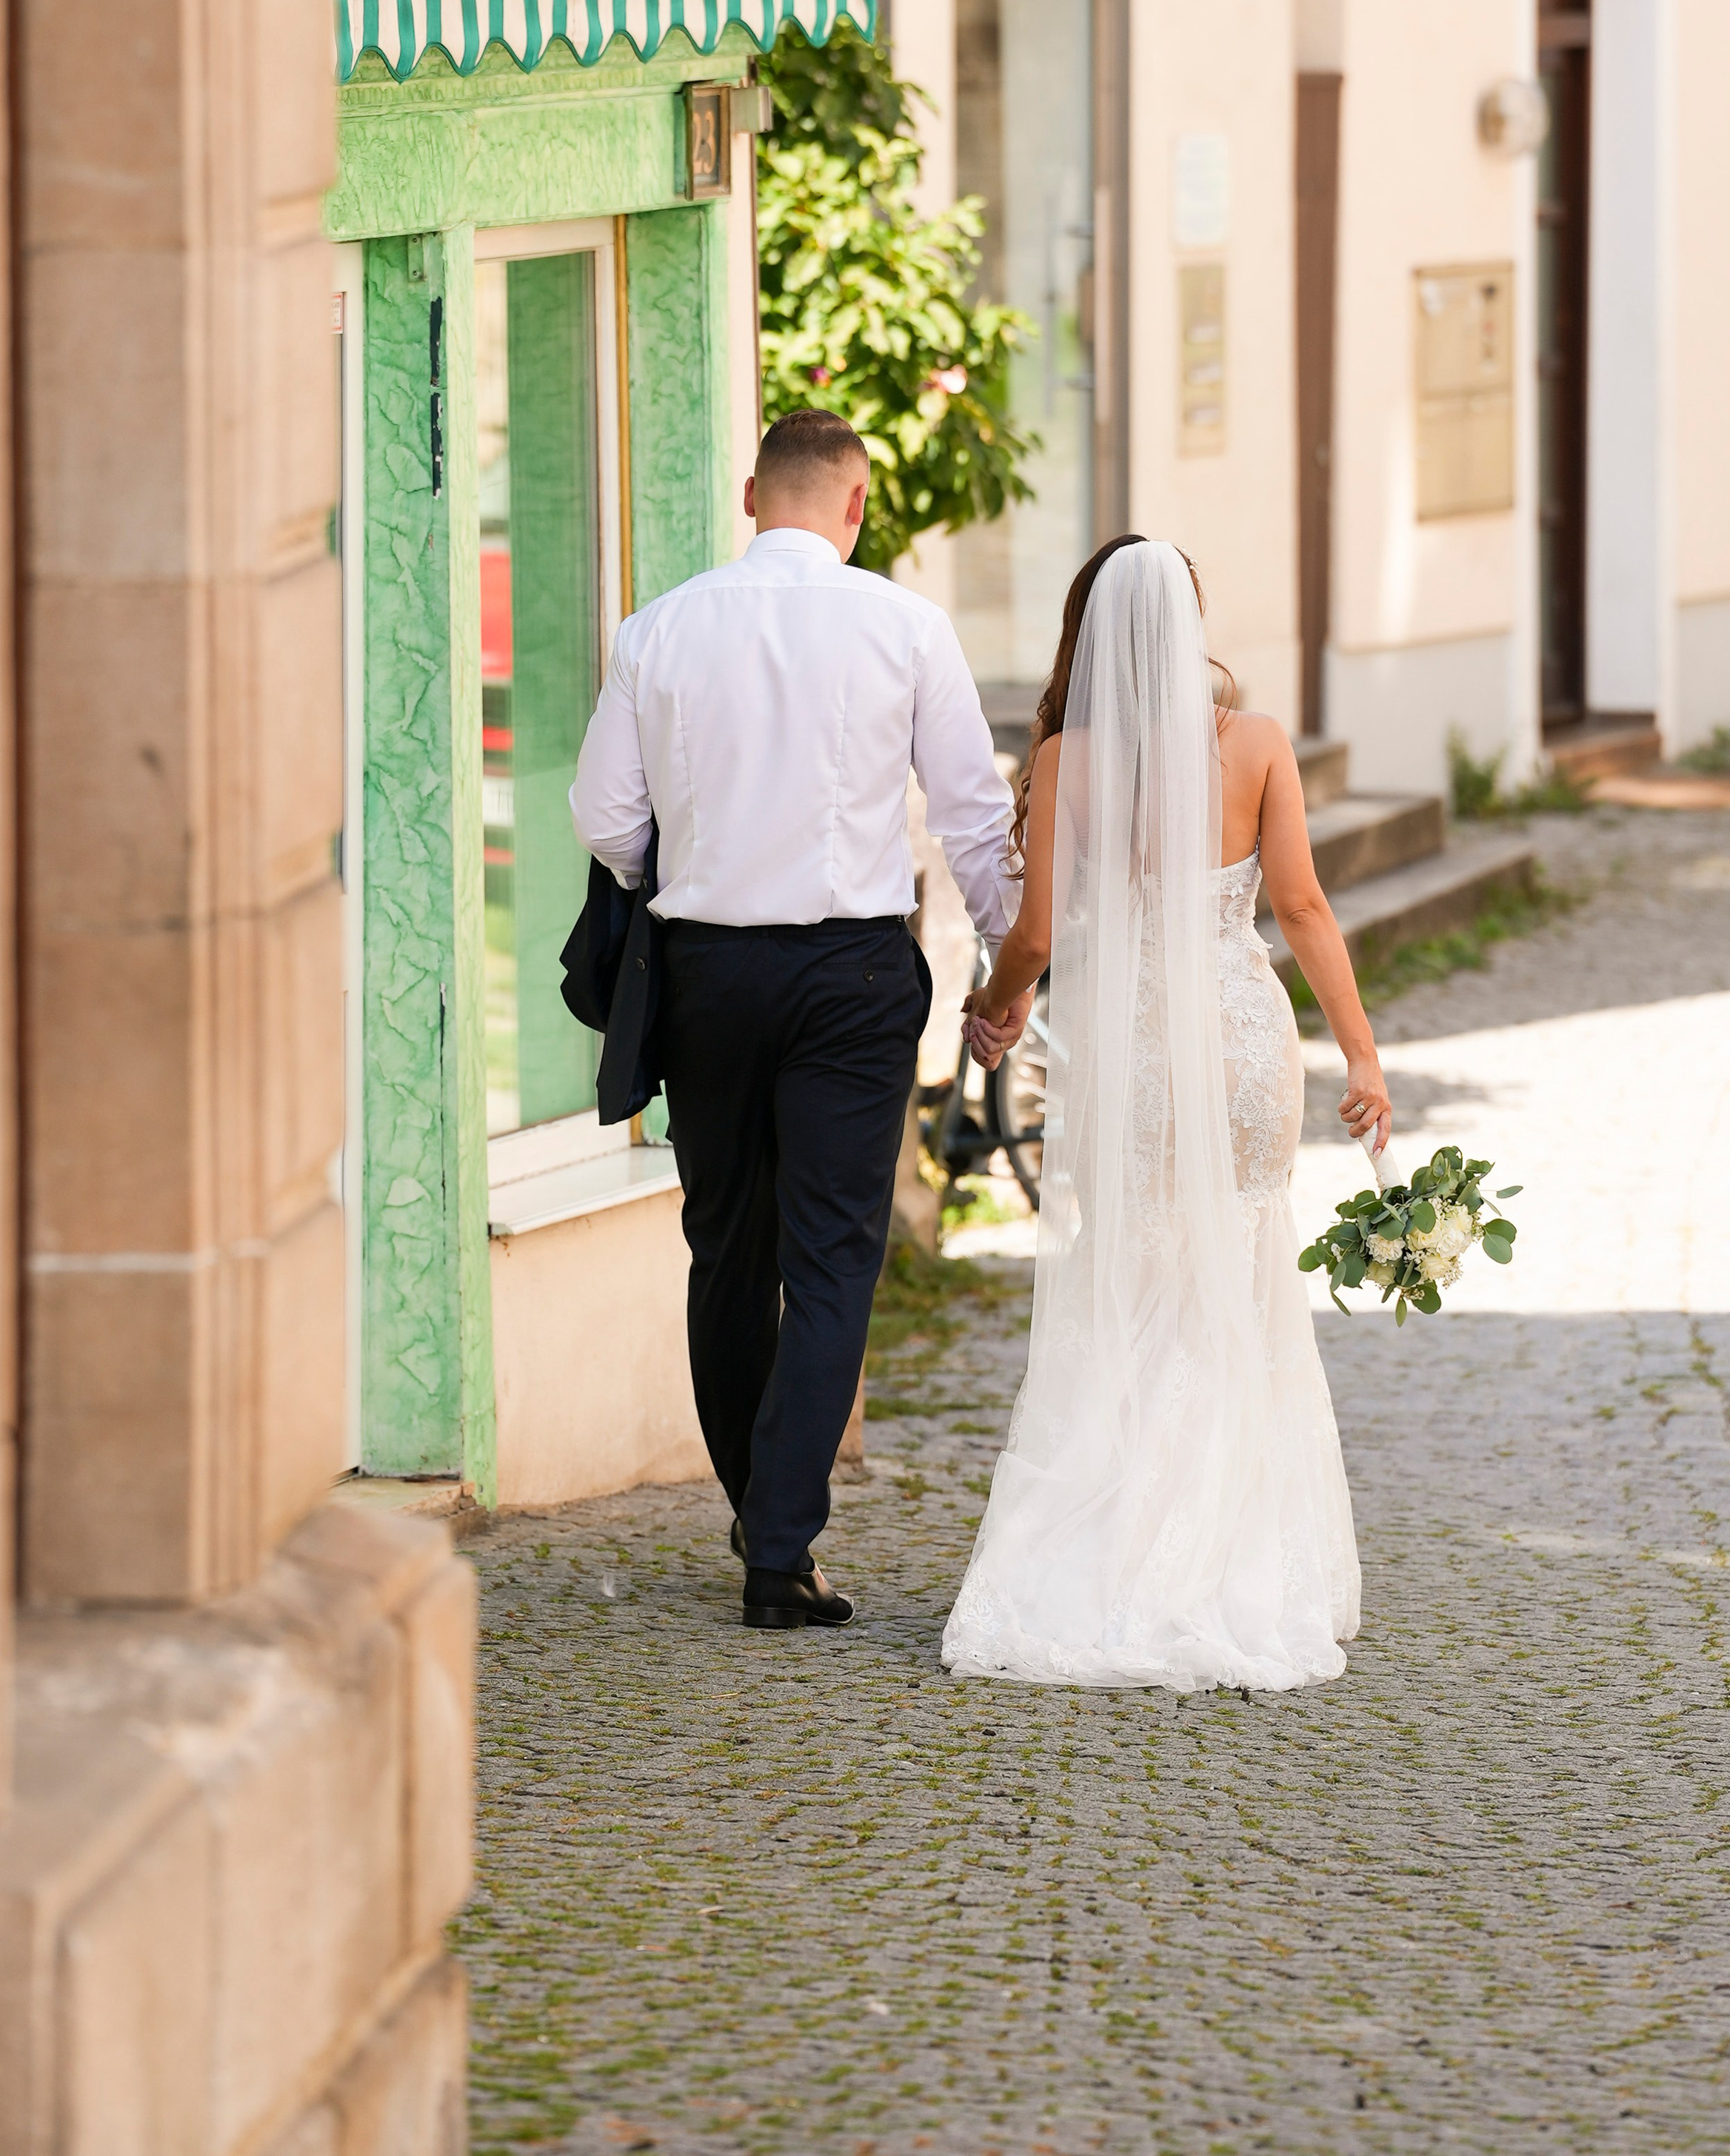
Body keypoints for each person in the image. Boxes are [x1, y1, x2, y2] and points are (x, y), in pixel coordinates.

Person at [569, 409, 1017, 1631]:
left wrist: (690, 863)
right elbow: (974, 816)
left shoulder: (658, 629)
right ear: (856, 505)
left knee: (726, 1248)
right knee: (831, 1256)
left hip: (705, 975)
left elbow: (605, 819)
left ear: (750, 496)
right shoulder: (906, 626)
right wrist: (1006, 969)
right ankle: (777, 1544)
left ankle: (758, 1509)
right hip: (850, 979)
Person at [941, 535, 1389, 1693]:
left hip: (1134, 1045)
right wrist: (1362, 1052)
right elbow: (1303, 907)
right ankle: (1241, 1554)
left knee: (1134, 1269)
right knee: (1239, 1270)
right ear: (1189, 622)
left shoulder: (1067, 760)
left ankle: (1122, 1545)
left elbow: (1036, 935)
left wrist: (993, 1007)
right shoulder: (1258, 744)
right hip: (1242, 1040)